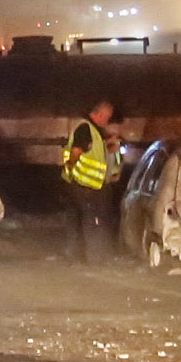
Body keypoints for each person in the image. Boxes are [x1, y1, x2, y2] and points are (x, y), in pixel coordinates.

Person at [61, 99, 124, 262]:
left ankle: (74, 257)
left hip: (79, 184)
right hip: (84, 185)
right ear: (99, 114)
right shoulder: (85, 128)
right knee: (92, 223)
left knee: (76, 221)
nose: (107, 121)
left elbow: (91, 152)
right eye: (106, 117)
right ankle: (94, 259)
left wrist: (109, 147)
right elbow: (76, 152)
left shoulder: (93, 131)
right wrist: (70, 167)